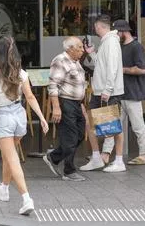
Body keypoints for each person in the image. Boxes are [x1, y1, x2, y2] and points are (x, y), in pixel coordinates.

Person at [0, 36, 49, 216]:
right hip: (19, 116)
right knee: (9, 156)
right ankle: (4, 188)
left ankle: (26, 199)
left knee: (13, 158)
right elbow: (30, 97)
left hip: (1, 117)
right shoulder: (21, 72)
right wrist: (41, 117)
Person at [79, 15, 126, 173]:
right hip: (101, 91)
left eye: (95, 27)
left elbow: (112, 67)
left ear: (100, 26)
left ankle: (118, 160)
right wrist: (92, 53)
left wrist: (107, 89)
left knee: (114, 126)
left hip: (107, 92)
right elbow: (103, 63)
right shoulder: (107, 41)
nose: (94, 29)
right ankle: (97, 157)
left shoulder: (111, 42)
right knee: (91, 123)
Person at [101, 20, 145, 165]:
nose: (116, 35)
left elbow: (142, 69)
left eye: (117, 32)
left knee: (137, 125)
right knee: (113, 124)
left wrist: (122, 70)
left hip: (133, 93)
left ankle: (144, 154)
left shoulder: (136, 47)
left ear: (123, 32)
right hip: (120, 93)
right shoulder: (120, 46)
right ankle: (106, 153)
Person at [43, 37, 88, 181]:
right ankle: (69, 171)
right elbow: (53, 85)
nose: (82, 50)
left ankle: (53, 157)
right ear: (70, 49)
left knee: (80, 135)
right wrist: (56, 108)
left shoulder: (76, 62)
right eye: (80, 47)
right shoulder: (60, 60)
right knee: (70, 138)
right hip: (65, 102)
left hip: (76, 103)